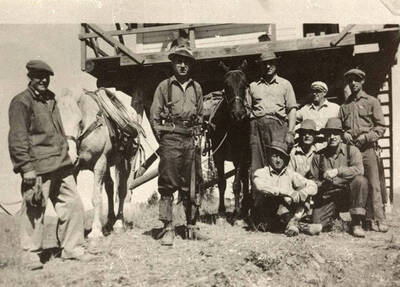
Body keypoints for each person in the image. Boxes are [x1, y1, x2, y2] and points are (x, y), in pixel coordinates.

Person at [8, 60, 92, 270]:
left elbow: (59, 131)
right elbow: (18, 138)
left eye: (46, 76)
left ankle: (72, 249)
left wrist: (67, 154)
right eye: (39, 76)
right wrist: (26, 167)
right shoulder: (21, 102)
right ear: (30, 77)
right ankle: (31, 255)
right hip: (37, 168)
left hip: (61, 165)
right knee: (34, 211)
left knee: (73, 206)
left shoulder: (51, 99)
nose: (43, 80)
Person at [150, 45, 205, 246]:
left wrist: (197, 132)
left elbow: (199, 114)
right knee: (167, 183)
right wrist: (163, 140)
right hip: (171, 139)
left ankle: (191, 226)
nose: (182, 65)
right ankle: (168, 228)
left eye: (186, 62)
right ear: (173, 63)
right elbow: (154, 116)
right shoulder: (164, 87)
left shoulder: (196, 88)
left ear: (190, 65)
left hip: (190, 139)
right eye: (178, 61)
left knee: (192, 183)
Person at [339, 68, 388, 233]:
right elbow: (339, 127)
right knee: (358, 183)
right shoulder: (344, 106)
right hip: (352, 151)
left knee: (374, 184)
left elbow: (381, 127)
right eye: (350, 80)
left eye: (356, 80)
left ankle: (380, 220)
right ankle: (361, 221)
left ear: (362, 81)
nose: (353, 83)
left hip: (367, 149)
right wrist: (344, 133)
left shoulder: (371, 101)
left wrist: (366, 137)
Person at [310, 118, 369, 237]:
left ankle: (356, 223)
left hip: (348, 195)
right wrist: (322, 184)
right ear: (325, 136)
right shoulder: (318, 156)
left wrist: (337, 171)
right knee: (315, 225)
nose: (332, 137)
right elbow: (312, 180)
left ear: (341, 135)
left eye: (335, 133)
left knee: (360, 181)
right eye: (328, 134)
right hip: (328, 194)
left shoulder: (352, 150)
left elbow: (359, 170)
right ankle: (335, 217)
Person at [251, 139, 317, 237]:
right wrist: (288, 192)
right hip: (264, 213)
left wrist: (302, 193)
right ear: (269, 157)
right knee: (278, 198)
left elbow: (313, 185)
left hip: (284, 213)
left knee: (302, 192)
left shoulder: (290, 174)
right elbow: (260, 186)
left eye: (281, 157)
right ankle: (300, 226)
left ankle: (293, 223)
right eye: (274, 156)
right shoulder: (261, 172)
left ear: (285, 159)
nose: (278, 160)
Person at [247, 50, 297, 173]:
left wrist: (290, 132)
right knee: (257, 166)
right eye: (264, 64)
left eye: (271, 63)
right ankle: (257, 192)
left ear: (276, 64)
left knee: (278, 163)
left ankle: (278, 192)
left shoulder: (285, 84)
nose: (268, 66)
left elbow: (292, 109)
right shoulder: (253, 86)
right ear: (260, 66)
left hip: (278, 128)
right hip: (256, 129)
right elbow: (247, 110)